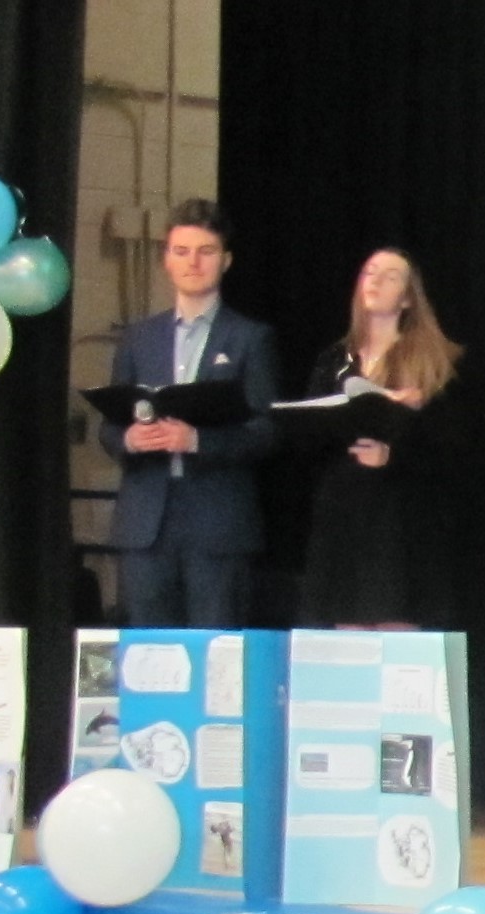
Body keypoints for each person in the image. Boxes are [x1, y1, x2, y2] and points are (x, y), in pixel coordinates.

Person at [97, 199, 280, 626]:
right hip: (146, 522)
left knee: (216, 650)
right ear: (166, 260)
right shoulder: (138, 338)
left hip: (218, 524)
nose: (193, 262)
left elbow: (267, 431)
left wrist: (197, 440)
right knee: (149, 649)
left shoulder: (251, 338)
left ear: (226, 260)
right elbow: (109, 426)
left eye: (206, 251)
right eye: (181, 251)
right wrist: (129, 439)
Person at [299, 247, 464, 629]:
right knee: (346, 636)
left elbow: (455, 449)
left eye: (390, 276)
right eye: (369, 272)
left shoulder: (434, 361)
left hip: (400, 519)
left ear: (408, 298)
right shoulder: (334, 360)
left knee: (394, 631)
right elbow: (308, 436)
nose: (375, 281)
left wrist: (394, 453)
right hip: (344, 513)